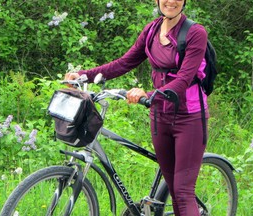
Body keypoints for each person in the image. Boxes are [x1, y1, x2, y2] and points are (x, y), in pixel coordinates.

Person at [65, 0, 209, 215]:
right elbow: (123, 63)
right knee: (172, 187)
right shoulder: (151, 30)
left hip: (189, 117)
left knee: (182, 192)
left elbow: (184, 80)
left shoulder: (195, 33)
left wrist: (147, 94)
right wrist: (85, 75)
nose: (172, 1)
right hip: (160, 116)